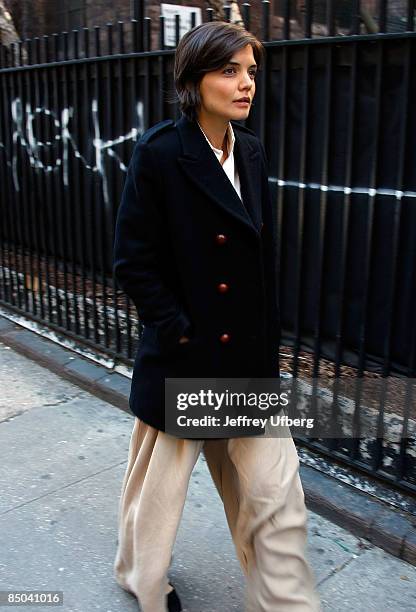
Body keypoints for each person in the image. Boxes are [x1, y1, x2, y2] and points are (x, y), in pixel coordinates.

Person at [112, 20, 321, 612]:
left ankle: (284, 601)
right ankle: (142, 580)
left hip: (247, 359)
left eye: (251, 71)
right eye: (229, 71)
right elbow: (133, 262)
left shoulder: (249, 150)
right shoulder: (159, 153)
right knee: (160, 494)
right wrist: (180, 331)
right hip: (189, 358)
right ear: (194, 79)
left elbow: (262, 257)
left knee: (276, 491)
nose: (246, 83)